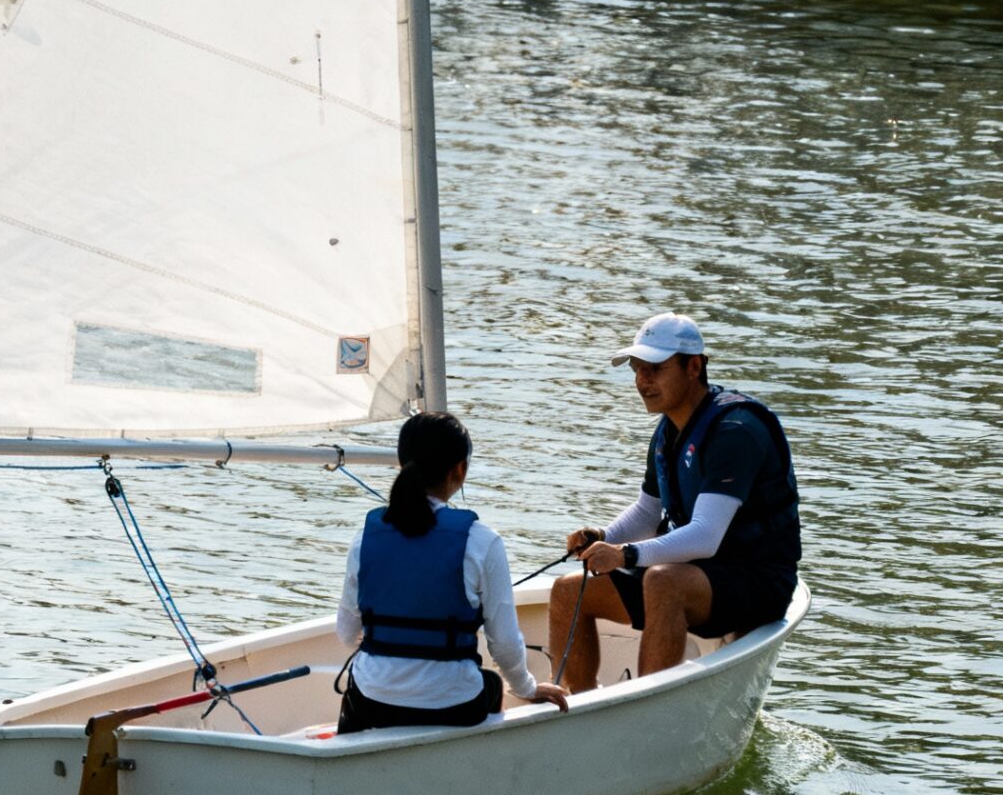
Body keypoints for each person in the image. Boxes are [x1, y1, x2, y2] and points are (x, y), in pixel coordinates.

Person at [549, 314, 801, 693]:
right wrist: (602, 536)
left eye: (655, 369)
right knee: (569, 590)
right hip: (695, 577)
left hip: (757, 584)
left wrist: (623, 554)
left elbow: (705, 537)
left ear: (693, 366)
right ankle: (582, 709)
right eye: (637, 370)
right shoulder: (668, 430)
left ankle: (643, 712)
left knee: (663, 581)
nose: (642, 381)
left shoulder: (737, 431)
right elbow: (649, 512)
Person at [336, 411, 570, 734]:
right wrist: (527, 688)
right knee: (490, 683)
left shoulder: (364, 540)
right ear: (460, 470)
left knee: (361, 688)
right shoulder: (482, 541)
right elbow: (503, 644)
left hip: (372, 701)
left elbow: (347, 634)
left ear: (402, 465)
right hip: (454, 704)